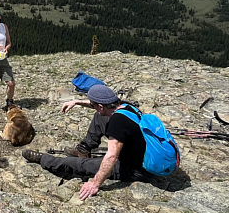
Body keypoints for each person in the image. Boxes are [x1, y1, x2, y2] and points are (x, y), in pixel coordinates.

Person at [21, 84, 149, 201]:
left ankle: (45, 159)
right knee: (100, 117)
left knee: (81, 165)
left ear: (100, 106)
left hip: (134, 169)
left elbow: (112, 156)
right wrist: (77, 102)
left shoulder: (117, 123)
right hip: (138, 152)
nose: (92, 106)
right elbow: (99, 107)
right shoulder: (126, 106)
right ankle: (84, 149)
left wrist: (95, 183)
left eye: (93, 105)